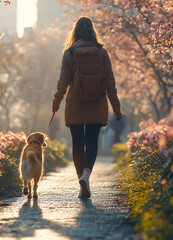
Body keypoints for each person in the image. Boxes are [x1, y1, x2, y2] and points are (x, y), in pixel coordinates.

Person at [52, 16, 122, 199]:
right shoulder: (101, 52)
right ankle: (86, 175)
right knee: (92, 142)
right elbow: (111, 83)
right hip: (97, 103)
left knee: (77, 143)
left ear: (75, 31)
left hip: (75, 104)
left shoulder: (69, 53)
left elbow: (63, 82)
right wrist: (116, 108)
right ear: (92, 31)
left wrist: (56, 103)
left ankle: (80, 180)